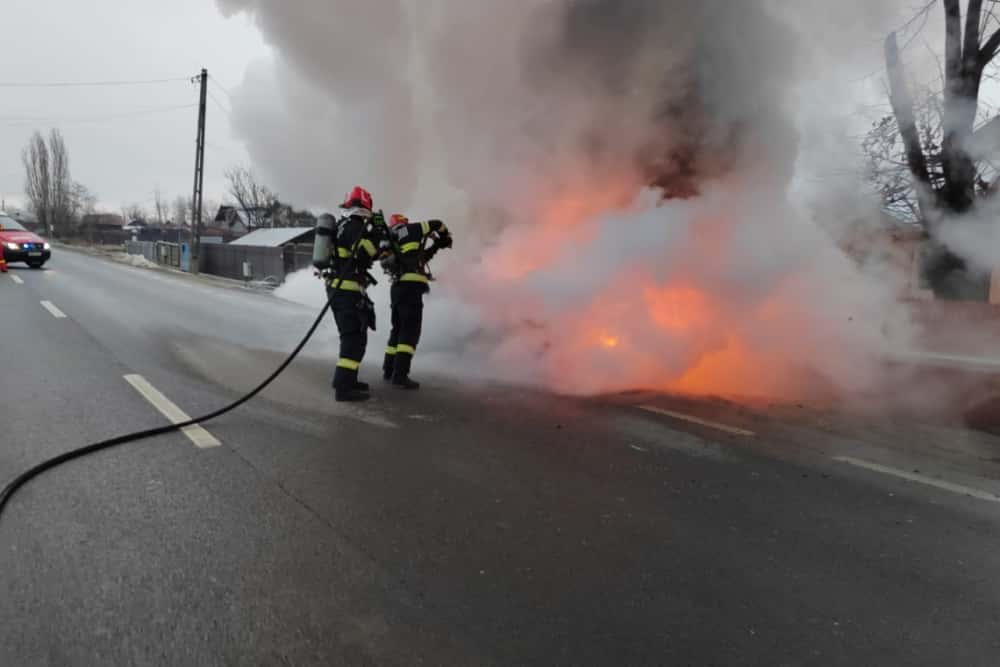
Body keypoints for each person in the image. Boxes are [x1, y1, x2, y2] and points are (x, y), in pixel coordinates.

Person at [315, 186, 384, 402]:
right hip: (346, 291)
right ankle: (343, 388)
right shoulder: (354, 226)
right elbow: (366, 254)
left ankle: (350, 380)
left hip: (342, 289)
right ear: (365, 206)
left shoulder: (344, 225)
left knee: (356, 337)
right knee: (352, 339)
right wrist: (377, 232)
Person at [381, 214, 453, 389]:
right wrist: (445, 235)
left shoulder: (391, 239)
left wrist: (436, 245)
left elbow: (418, 260)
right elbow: (437, 223)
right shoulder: (412, 229)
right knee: (410, 331)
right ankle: (400, 375)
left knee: (397, 329)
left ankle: (389, 370)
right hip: (411, 289)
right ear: (404, 223)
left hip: (397, 288)